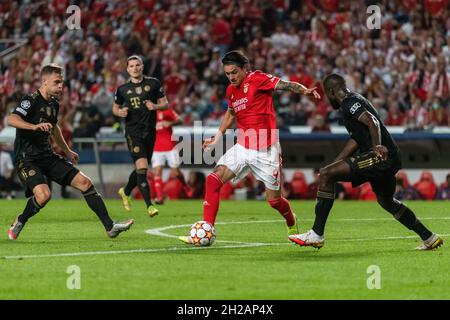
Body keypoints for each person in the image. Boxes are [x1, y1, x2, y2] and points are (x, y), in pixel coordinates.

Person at [179, 50, 320, 244]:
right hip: (243, 146)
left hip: (266, 150)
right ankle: (206, 229)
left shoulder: (258, 79)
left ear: (245, 69)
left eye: (234, 72)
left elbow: (285, 85)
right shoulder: (231, 91)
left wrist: (304, 90)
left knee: (273, 201)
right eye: (227, 74)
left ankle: (291, 219)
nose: (231, 77)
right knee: (213, 180)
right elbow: (230, 113)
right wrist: (217, 136)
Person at [289, 73, 443, 251]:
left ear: (331, 91)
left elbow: (373, 122)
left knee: (326, 176)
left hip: (379, 157)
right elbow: (356, 140)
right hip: (389, 158)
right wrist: (335, 164)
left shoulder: (349, 103)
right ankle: (429, 237)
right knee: (387, 202)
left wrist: (377, 147)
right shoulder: (357, 100)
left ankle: (316, 234)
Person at [6, 64, 133, 240]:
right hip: (27, 159)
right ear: (44, 81)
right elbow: (11, 119)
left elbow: (55, 128)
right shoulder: (30, 100)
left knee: (85, 183)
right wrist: (33, 126)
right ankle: (20, 221)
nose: (61, 86)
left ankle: (110, 227)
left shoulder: (53, 104)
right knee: (43, 196)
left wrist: (67, 150)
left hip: (47, 156)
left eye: (62, 82)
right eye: (56, 82)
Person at [113, 55, 168, 217]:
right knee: (143, 167)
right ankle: (149, 206)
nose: (135, 68)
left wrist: (155, 106)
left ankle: (125, 190)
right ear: (127, 69)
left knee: (141, 169)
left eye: (137, 65)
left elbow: (166, 104)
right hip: (133, 133)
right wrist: (120, 112)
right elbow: (114, 108)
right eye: (131, 66)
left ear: (142, 67)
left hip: (150, 132)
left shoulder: (154, 83)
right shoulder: (122, 89)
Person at [151, 108, 192, 204]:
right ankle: (160, 198)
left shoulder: (167, 110)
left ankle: (185, 185)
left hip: (170, 146)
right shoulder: (148, 112)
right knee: (157, 172)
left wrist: (170, 123)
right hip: (156, 147)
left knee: (176, 173)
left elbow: (180, 120)